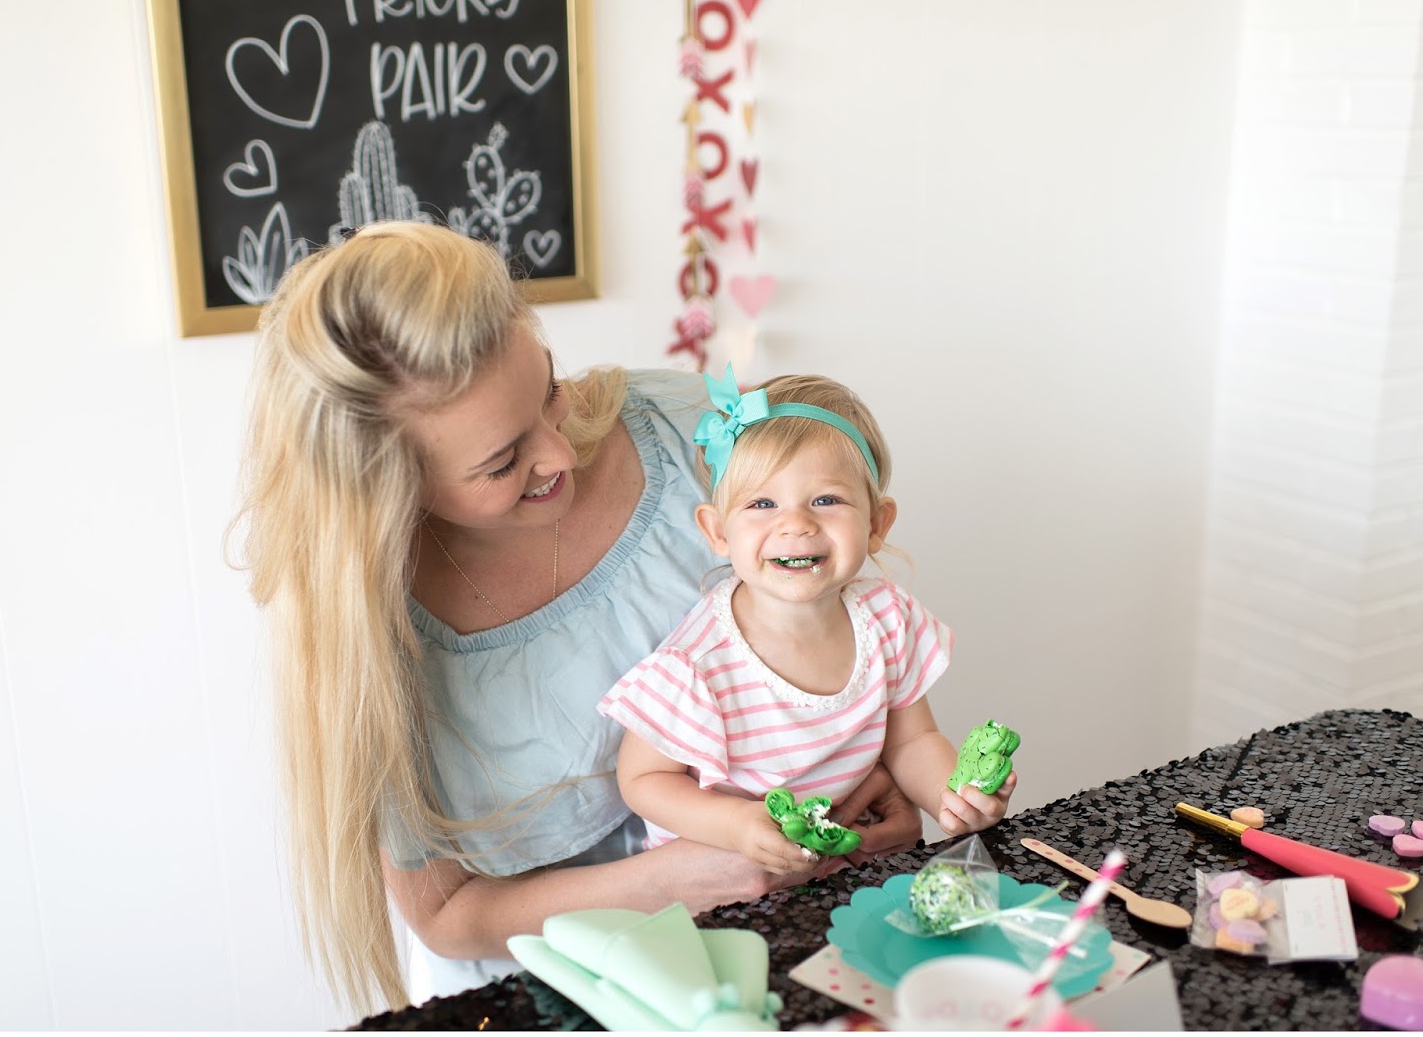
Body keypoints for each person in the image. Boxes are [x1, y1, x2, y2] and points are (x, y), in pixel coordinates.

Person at [230, 221, 921, 1014]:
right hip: (540, 984)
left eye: (549, 390)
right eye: (501, 461)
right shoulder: (367, 631)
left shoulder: (698, 435)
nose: (560, 454)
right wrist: (667, 885)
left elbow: (847, 631)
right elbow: (447, 916)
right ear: (386, 487)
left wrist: (879, 773)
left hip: (786, 931)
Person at [599, 368, 1016, 875]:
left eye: (826, 500)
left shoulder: (888, 620)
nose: (796, 523)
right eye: (762, 503)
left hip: (844, 869)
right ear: (718, 531)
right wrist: (736, 824)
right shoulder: (697, 665)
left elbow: (911, 742)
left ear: (876, 523)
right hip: (728, 885)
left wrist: (952, 796)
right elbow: (644, 781)